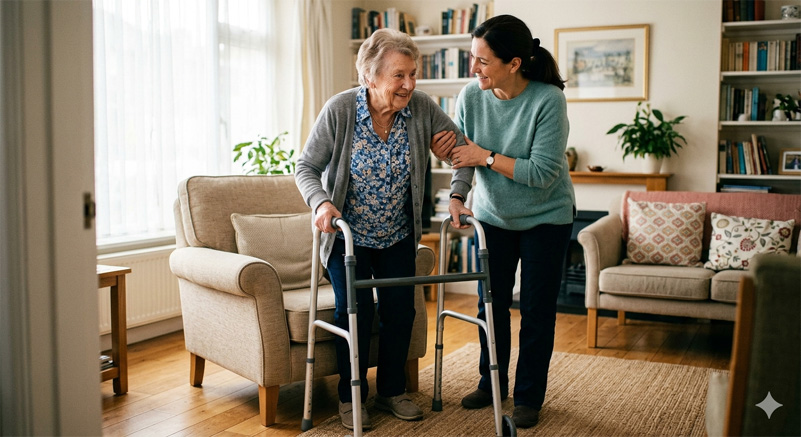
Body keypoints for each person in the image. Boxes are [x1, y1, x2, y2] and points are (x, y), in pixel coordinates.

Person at [295, 28, 465, 431]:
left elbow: (464, 150)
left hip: (397, 233)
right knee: (353, 311)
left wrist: (457, 194)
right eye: (398, 76)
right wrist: (320, 203)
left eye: (413, 73)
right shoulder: (340, 110)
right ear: (369, 77)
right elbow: (306, 167)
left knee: (399, 312)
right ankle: (350, 396)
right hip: (347, 237)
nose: (409, 84)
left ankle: (391, 391)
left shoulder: (421, 108)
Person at [431, 14, 575, 429]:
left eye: (483, 60)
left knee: (535, 309)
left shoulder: (548, 100)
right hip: (493, 215)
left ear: (514, 63)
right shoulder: (471, 97)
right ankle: (490, 382)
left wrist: (486, 157)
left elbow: (543, 172)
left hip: (546, 218)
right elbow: (464, 156)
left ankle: (529, 397)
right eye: (472, 57)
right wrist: (457, 193)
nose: (473, 68)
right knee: (489, 305)